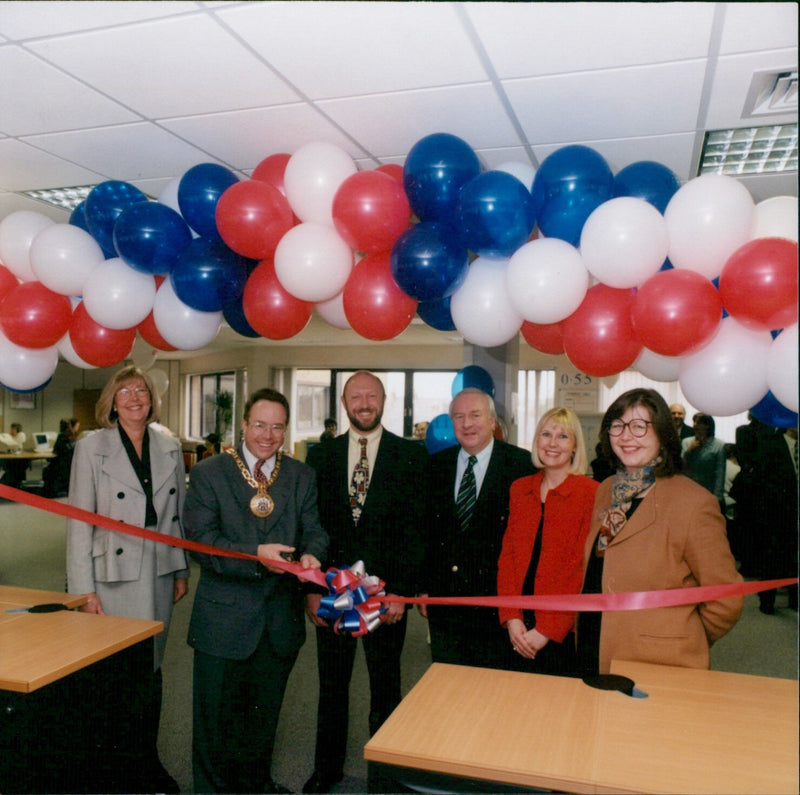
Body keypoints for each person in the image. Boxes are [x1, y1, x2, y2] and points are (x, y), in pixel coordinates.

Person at [184, 387, 328, 794]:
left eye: (277, 427)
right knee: (214, 722)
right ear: (243, 424)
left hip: (278, 621)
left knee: (262, 719)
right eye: (260, 425)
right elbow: (202, 543)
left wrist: (313, 557)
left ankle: (255, 786)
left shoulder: (301, 475)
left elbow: (315, 531)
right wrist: (255, 555)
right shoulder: (211, 472)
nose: (267, 435)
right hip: (223, 620)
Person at [66, 366, 189, 793]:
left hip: (157, 571)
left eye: (142, 390)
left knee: (151, 670)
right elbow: (79, 522)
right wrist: (83, 590)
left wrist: (179, 568)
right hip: (111, 576)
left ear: (152, 399)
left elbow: (177, 517)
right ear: (110, 403)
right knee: (117, 674)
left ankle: (146, 760)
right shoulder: (92, 447)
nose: (135, 398)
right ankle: (114, 766)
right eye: (125, 392)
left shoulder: (169, 446)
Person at [303, 371, 427, 794]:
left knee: (386, 686)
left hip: (386, 597)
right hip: (333, 595)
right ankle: (327, 770)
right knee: (331, 687)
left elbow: (416, 531)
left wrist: (402, 594)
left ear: (384, 400)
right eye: (356, 396)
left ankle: (385, 777)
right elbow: (311, 525)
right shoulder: (320, 457)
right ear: (344, 402)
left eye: (371, 395)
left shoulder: (410, 455)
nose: (364, 403)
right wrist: (312, 589)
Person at [577, 388, 743, 676]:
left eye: (640, 426)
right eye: (618, 425)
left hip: (659, 661)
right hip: (596, 644)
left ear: (663, 434)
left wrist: (684, 636)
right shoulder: (606, 490)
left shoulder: (694, 503)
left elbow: (726, 599)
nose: (627, 436)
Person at [420, 388, 535, 670]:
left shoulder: (522, 465)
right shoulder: (434, 466)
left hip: (497, 606)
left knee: (494, 691)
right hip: (445, 603)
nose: (467, 424)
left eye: (475, 415)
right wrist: (422, 588)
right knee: (447, 684)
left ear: (493, 421)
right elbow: (424, 532)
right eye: (459, 417)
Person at [498, 407, 599, 676]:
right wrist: (511, 617)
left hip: (561, 628)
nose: (553, 443)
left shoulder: (591, 493)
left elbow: (580, 567)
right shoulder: (520, 489)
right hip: (518, 624)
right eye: (546, 434)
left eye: (563, 436)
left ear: (575, 446)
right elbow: (508, 557)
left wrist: (547, 630)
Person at [682, 412, 726, 510]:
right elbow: (680, 467)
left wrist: (716, 498)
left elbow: (720, 474)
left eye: (699, 423)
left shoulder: (719, 445)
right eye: (694, 422)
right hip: (688, 491)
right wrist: (689, 451)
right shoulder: (686, 442)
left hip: (708, 491)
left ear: (707, 426)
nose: (695, 425)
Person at [42, 417, 79, 497]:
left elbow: (55, 452)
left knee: (47, 469)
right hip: (68, 466)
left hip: (61, 467)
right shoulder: (72, 437)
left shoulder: (61, 436)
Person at [0, 422, 29, 487]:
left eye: (12, 429)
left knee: (6, 464)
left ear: (16, 429)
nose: (11, 430)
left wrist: (9, 436)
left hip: (18, 458)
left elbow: (16, 444)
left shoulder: (21, 434)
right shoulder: (15, 435)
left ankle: (7, 483)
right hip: (15, 456)